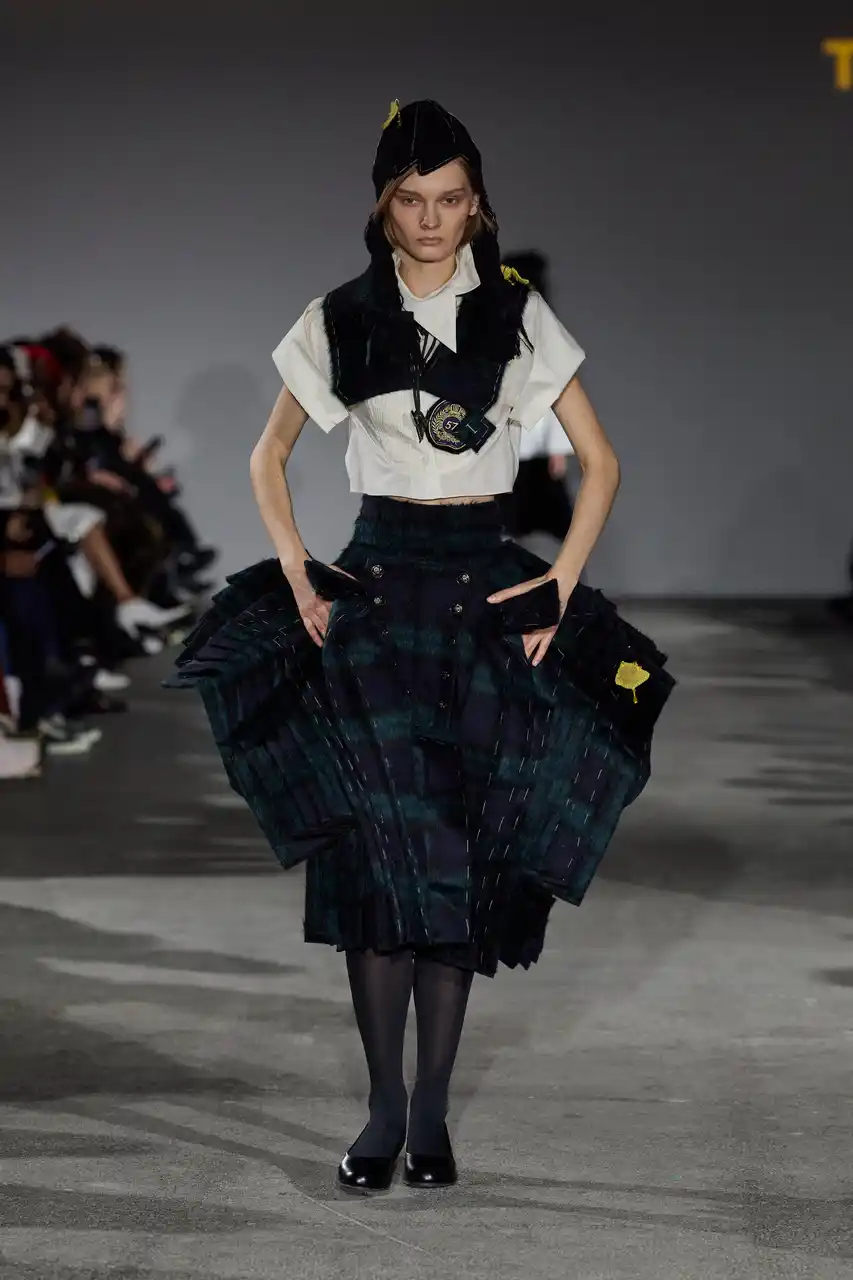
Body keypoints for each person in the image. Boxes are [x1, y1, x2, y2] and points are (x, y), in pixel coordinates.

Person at [168, 99, 675, 1193]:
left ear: (477, 203)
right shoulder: (338, 317)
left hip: (484, 595)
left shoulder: (517, 315)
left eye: (450, 199)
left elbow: (601, 461)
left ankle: (432, 1107)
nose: (431, 219)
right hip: (378, 595)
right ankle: (382, 1107)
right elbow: (267, 455)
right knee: (372, 854)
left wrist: (559, 583)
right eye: (411, 199)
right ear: (382, 204)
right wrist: (296, 568)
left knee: (461, 851)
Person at [501, 252, 577, 543]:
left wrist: (557, 449)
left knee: (560, 525)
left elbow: (558, 393)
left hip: (536, 450)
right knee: (504, 527)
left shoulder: (545, 335)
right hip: (508, 450)